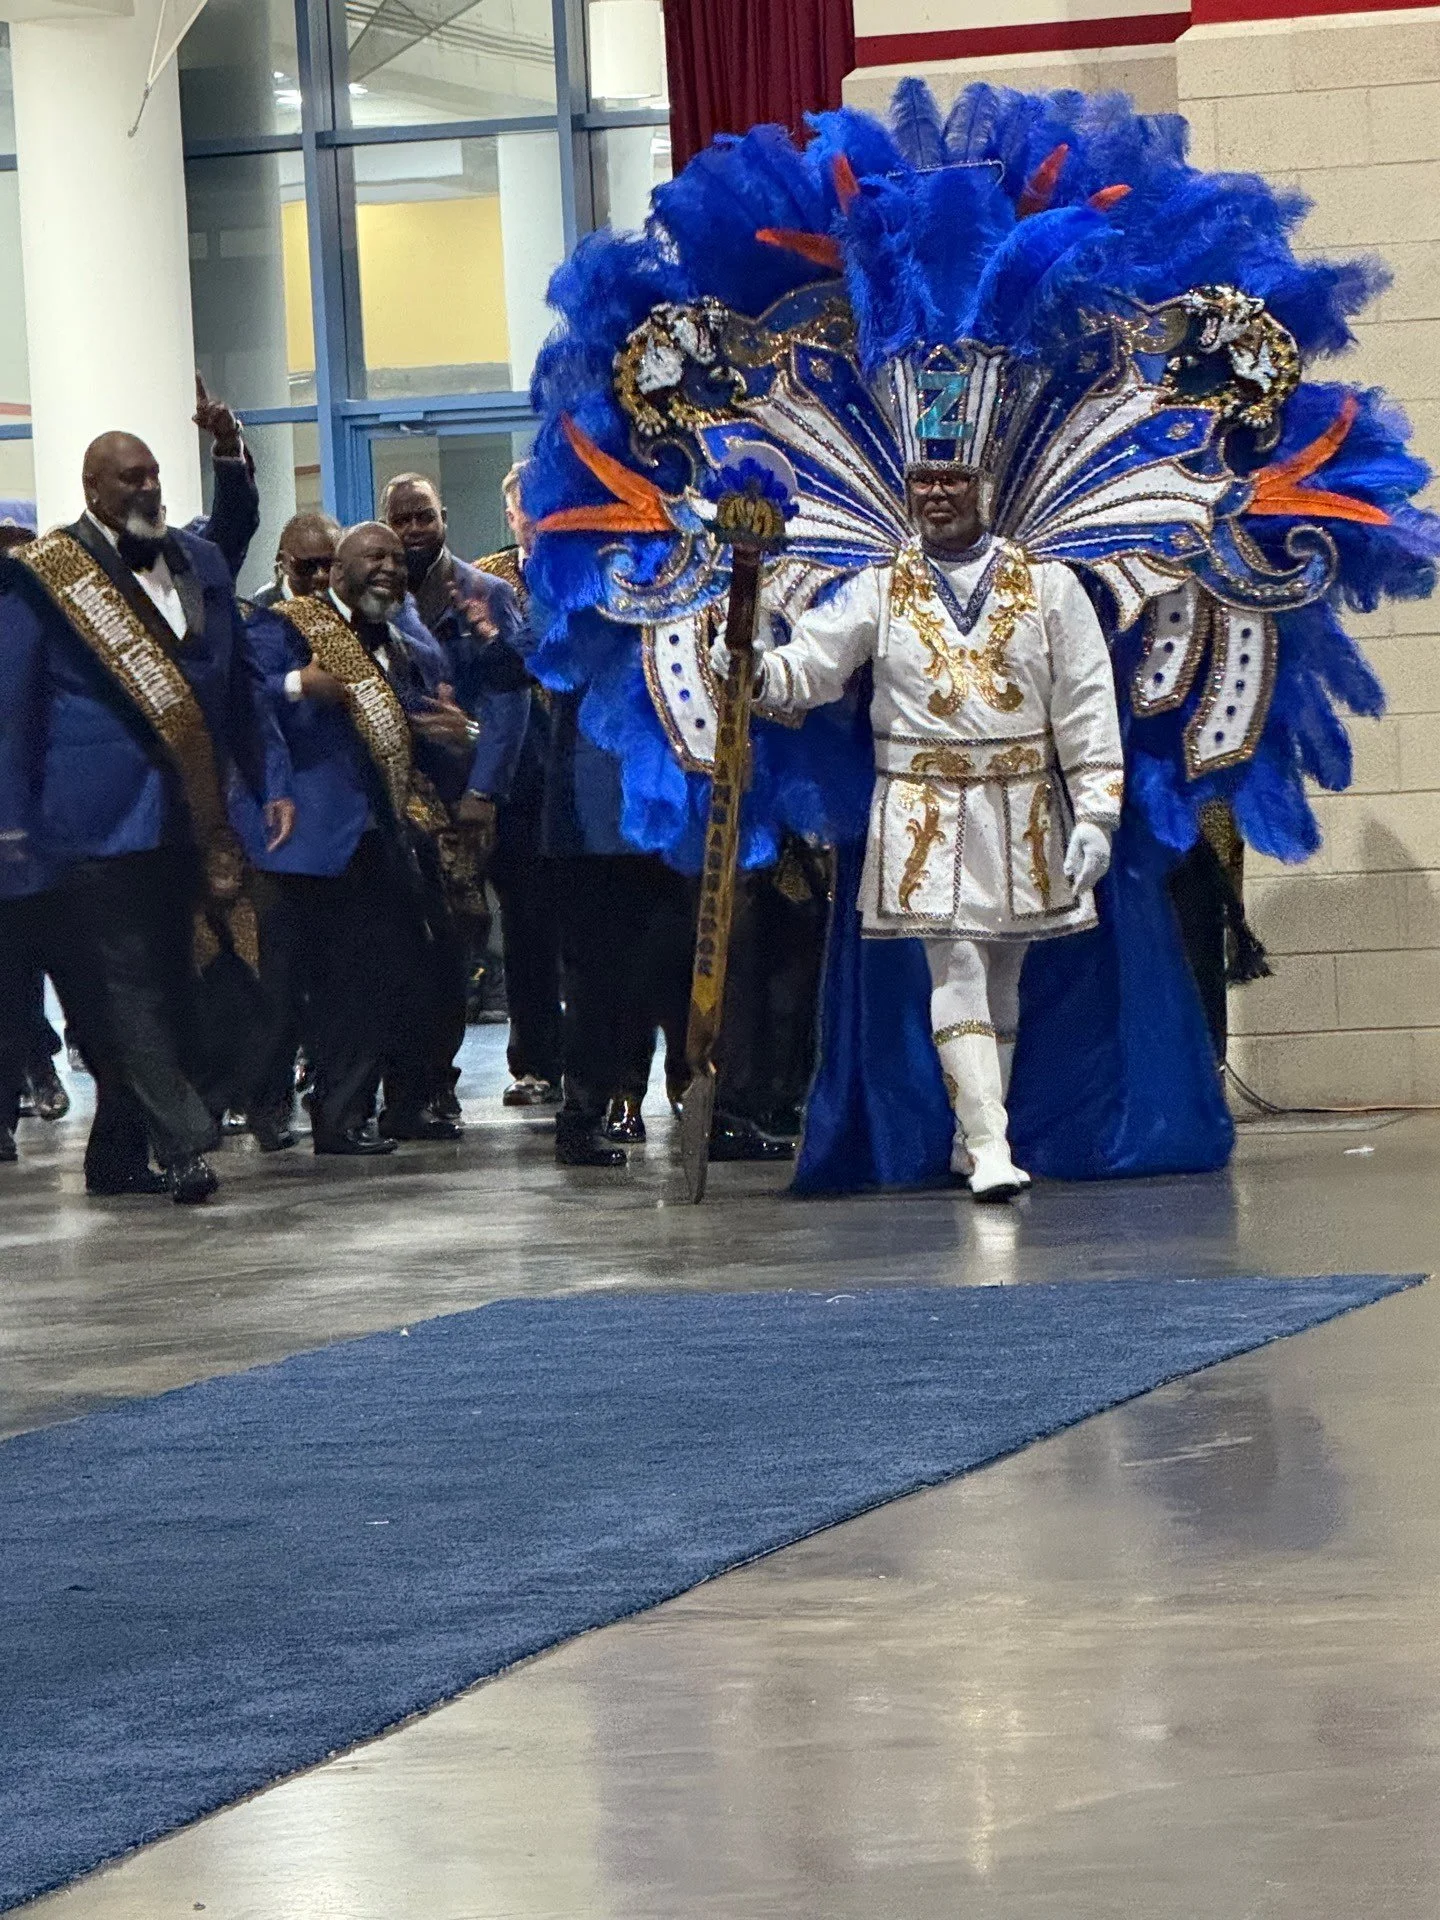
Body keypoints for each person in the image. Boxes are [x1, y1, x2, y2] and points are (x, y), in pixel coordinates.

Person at [723, 457, 1123, 1200]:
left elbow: (1086, 699)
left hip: (1025, 804)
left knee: (1003, 979)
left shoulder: (1049, 586)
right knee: (960, 966)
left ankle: (970, 1139)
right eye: (924, 481)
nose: (938, 495)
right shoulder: (879, 586)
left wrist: (1097, 811)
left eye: (955, 479)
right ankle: (990, 1143)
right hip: (924, 807)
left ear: (987, 488)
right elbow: (814, 665)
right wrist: (753, 670)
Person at [0, 431, 294, 1202]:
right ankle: (184, 1145)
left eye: (155, 474)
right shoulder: (43, 579)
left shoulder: (197, 561)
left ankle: (116, 1154)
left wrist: (266, 783)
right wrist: (12, 818)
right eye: (130, 477)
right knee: (124, 991)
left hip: (188, 816)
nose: (147, 488)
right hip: (87, 824)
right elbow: (12, 709)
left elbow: (237, 687)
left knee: (176, 983)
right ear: (92, 488)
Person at [235, 522, 476, 1154]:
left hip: (386, 832)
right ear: (338, 573)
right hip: (305, 838)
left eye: (397, 558)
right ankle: (307, 1112)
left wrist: (459, 737)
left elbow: (414, 727)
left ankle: (393, 1107)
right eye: (375, 556)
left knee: (410, 973)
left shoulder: (406, 642)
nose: (391, 567)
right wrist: (298, 685)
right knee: (303, 990)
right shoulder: (288, 625)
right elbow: (240, 699)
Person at [380, 471, 532, 1119]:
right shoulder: (370, 595)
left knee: (492, 939)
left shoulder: (485, 593)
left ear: (445, 517)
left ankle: (506, 1067)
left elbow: (510, 698)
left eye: (425, 517)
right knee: (415, 949)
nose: (415, 530)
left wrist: (485, 787)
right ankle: (415, 1082)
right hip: (400, 805)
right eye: (402, 519)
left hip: (478, 797)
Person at [477, 468, 565, 1108]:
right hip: (518, 786)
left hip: (590, 774)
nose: (537, 515)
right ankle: (535, 1063)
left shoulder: (595, 572)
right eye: (524, 508)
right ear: (509, 515)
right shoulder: (481, 583)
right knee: (529, 930)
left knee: (596, 933)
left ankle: (616, 1072)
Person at [249, 511, 342, 611]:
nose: (320, 575)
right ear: (284, 560)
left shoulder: (347, 605)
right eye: (308, 566)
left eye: (327, 564)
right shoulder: (259, 610)